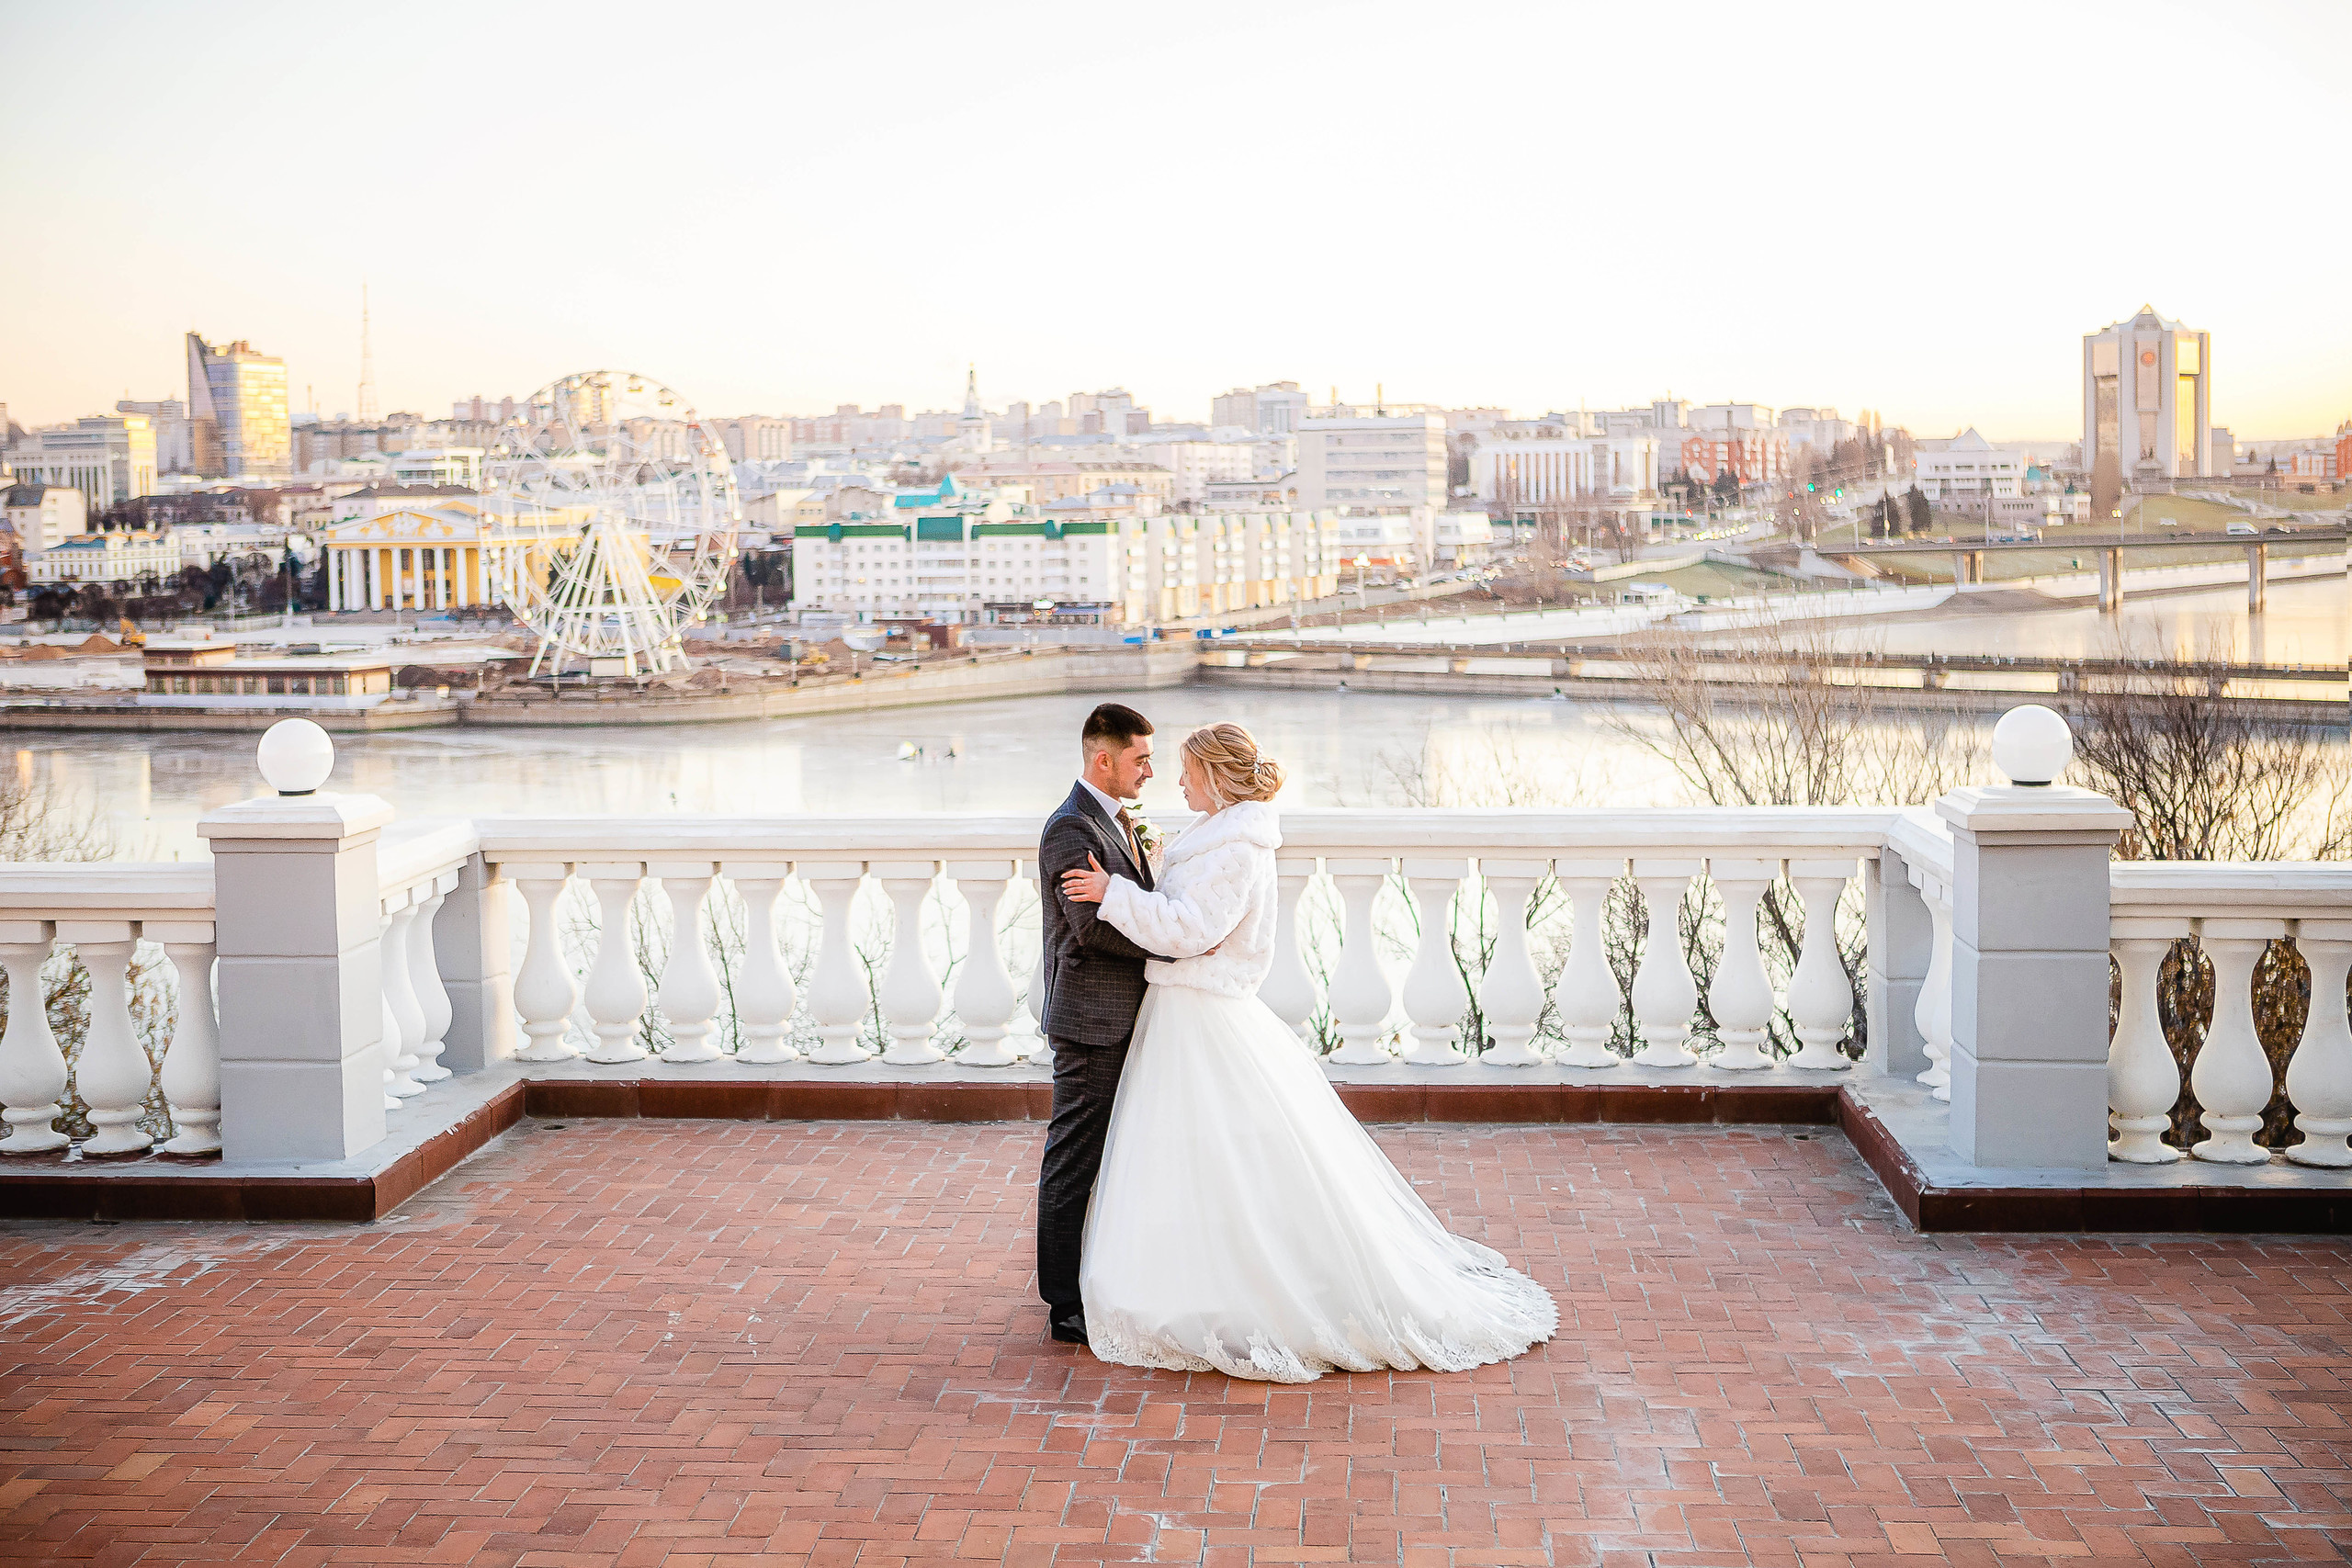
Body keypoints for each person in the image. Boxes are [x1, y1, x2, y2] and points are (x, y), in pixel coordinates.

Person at [1057, 721, 1556, 1382]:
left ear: (1214, 776)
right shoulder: (1219, 834)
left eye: (1186, 771)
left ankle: (1240, 1285)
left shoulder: (1236, 846)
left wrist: (1114, 894)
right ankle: (1196, 1271)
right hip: (1182, 1009)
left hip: (1201, 1010)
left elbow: (1194, 930)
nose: (1176, 782)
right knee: (1191, 1157)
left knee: (1227, 1157)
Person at [1034, 702, 1163, 1347]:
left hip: (1122, 1017)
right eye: (1140, 758)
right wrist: (1175, 941)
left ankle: (1098, 1277)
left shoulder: (1114, 822)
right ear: (1101, 758)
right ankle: (1063, 1304)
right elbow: (1090, 929)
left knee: (1115, 1157)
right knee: (1073, 1160)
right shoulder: (1069, 828)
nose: (1150, 770)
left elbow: (1124, 900)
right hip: (1090, 1021)